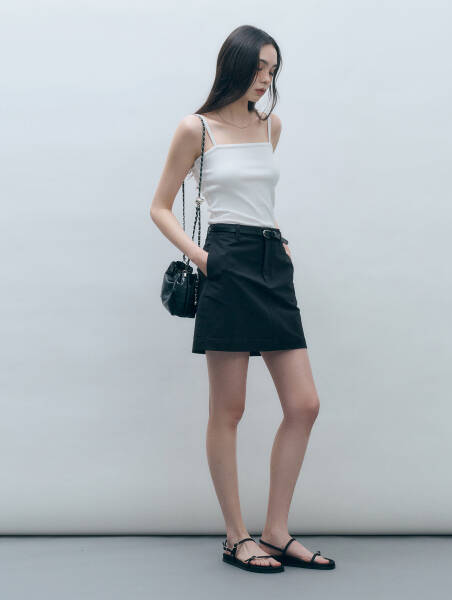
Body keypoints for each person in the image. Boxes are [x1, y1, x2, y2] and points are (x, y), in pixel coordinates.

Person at [150, 25, 335, 574]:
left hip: (271, 261)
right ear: (233, 64)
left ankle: (275, 531)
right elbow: (159, 206)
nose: (265, 79)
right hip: (226, 259)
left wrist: (279, 240)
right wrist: (204, 259)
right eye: (258, 67)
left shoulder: (269, 125)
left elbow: (257, 197)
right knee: (229, 409)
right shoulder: (196, 128)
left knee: (304, 404)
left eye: (272, 70)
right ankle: (236, 537)